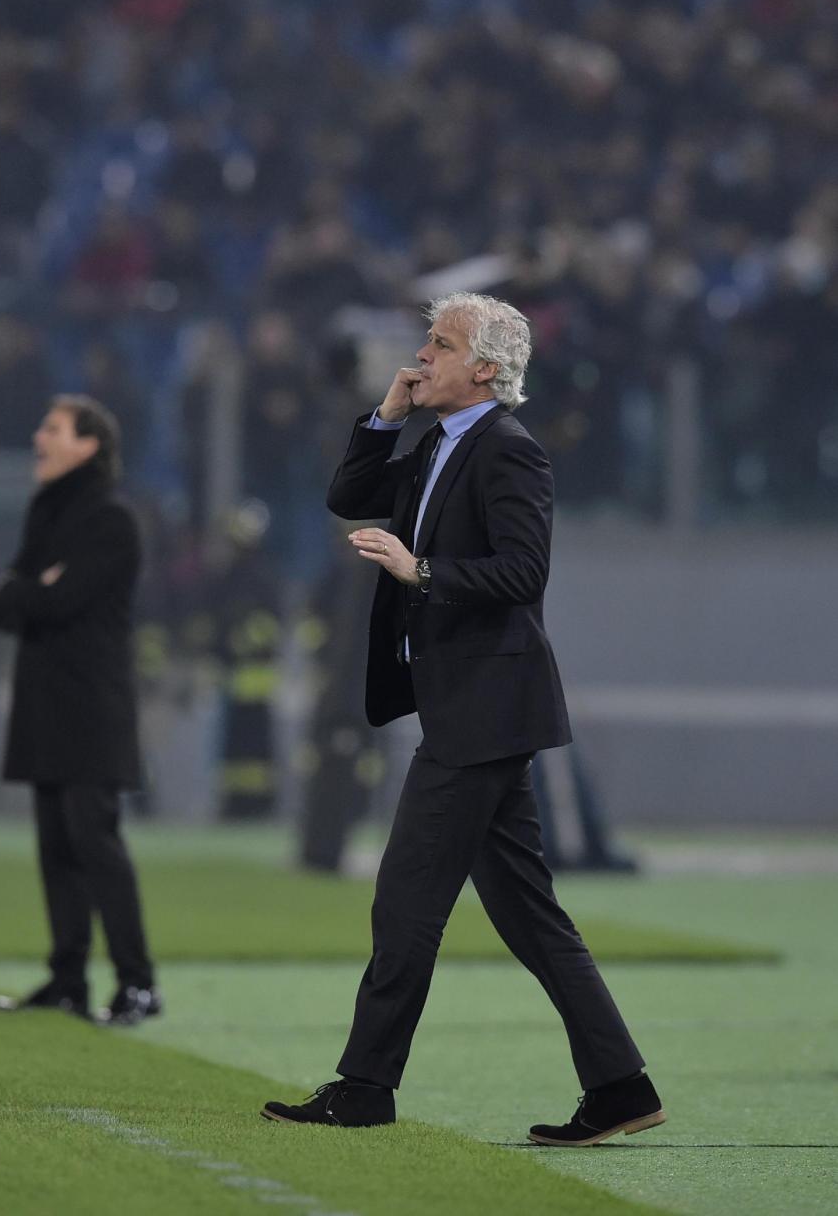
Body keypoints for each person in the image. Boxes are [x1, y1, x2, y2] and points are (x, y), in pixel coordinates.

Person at [262, 293, 663, 1145]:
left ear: (484, 369)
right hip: (471, 707)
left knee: (406, 902)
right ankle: (622, 1088)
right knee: (528, 916)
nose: (420, 356)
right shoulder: (435, 441)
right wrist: (385, 417)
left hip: (485, 710)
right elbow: (347, 495)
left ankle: (364, 1086)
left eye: (439, 345)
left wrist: (421, 571)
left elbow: (523, 572)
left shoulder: (509, 450)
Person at [0, 395, 161, 1026]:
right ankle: (67, 980)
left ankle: (138, 984)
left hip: (91, 707)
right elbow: (3, 606)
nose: (39, 437)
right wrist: (35, 588)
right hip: (45, 704)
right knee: (56, 848)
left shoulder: (112, 519)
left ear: (88, 445)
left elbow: (55, 603)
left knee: (96, 844)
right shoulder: (46, 510)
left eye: (53, 428)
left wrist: (30, 591)